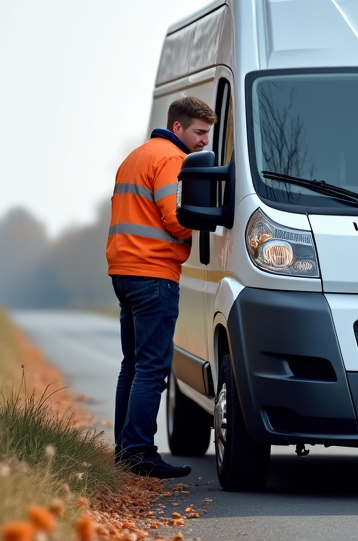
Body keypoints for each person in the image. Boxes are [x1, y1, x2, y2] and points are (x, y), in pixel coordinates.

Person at [106, 96, 217, 479]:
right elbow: (176, 220)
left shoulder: (136, 156)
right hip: (153, 273)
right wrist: (209, 219)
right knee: (152, 368)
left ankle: (124, 451)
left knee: (133, 366)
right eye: (200, 132)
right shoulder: (172, 159)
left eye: (208, 133)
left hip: (125, 271)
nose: (205, 141)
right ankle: (139, 454)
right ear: (178, 129)